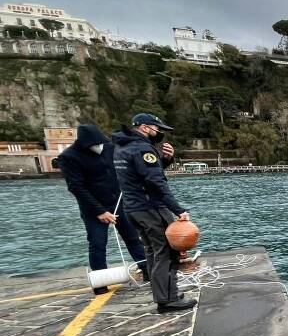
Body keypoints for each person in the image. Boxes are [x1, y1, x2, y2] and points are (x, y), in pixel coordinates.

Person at [113, 114, 196, 313]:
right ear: (144, 127)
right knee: (166, 252)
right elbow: (155, 182)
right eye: (156, 128)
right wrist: (178, 209)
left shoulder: (122, 147)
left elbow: (142, 174)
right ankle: (168, 299)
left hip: (134, 208)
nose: (159, 132)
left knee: (152, 252)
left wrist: (165, 160)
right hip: (150, 208)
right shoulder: (142, 148)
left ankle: (165, 294)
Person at [56, 124, 149, 295]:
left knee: (133, 238)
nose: (99, 146)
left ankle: (147, 271)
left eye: (101, 142)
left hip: (119, 201)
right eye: (95, 144)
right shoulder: (68, 157)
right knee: (98, 243)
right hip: (93, 208)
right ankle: (100, 282)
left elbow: (126, 169)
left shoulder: (110, 148)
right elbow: (76, 187)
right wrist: (99, 211)